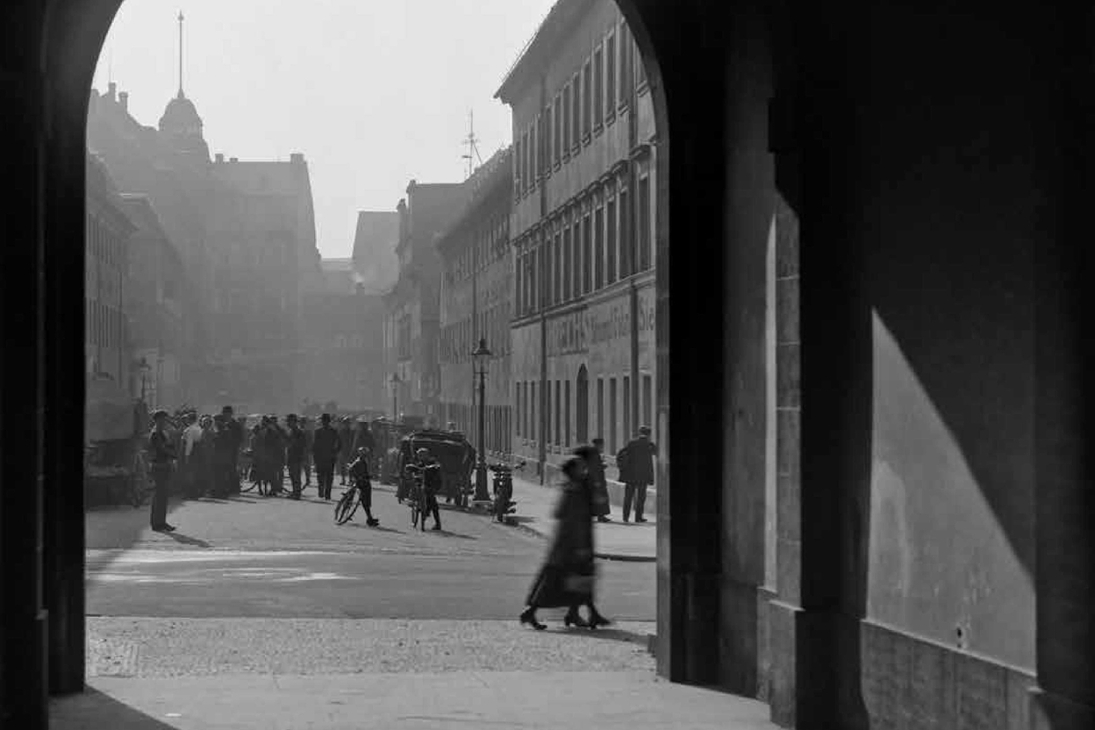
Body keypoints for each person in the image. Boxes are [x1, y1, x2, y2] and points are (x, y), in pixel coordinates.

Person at [519, 447, 611, 630]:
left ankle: (582, 614)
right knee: (556, 582)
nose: (584, 469)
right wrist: (580, 546)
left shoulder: (578, 486)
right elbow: (572, 518)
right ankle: (530, 613)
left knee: (578, 580)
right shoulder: (574, 489)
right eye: (580, 467)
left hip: (572, 542)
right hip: (571, 545)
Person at [616, 425, 657, 523]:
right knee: (641, 497)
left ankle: (625, 517)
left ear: (640, 433)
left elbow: (621, 453)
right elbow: (657, 452)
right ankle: (638, 517)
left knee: (628, 496)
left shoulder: (632, 443)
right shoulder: (649, 444)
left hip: (630, 475)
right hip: (643, 476)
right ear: (649, 434)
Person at [148, 409, 177, 532]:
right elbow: (162, 449)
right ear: (158, 420)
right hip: (159, 465)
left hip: (164, 464)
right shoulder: (155, 433)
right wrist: (174, 455)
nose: (166, 421)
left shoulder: (163, 432)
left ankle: (161, 522)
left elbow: (169, 446)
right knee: (159, 495)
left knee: (163, 495)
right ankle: (156, 523)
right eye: (164, 419)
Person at [408, 447, 443, 530]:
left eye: (422, 455)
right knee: (417, 487)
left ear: (427, 455)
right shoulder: (420, 464)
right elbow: (415, 471)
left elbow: (437, 466)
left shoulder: (432, 461)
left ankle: (437, 523)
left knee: (432, 501)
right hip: (422, 483)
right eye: (419, 455)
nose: (420, 457)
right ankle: (418, 505)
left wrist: (432, 467)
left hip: (432, 484)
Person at [345, 447, 379, 526]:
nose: (365, 455)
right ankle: (369, 518)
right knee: (366, 498)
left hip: (360, 481)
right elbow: (353, 471)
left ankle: (369, 517)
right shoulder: (359, 461)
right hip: (361, 482)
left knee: (365, 499)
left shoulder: (361, 461)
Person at [312, 413, 342, 500]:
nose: (324, 422)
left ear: (328, 421)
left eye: (326, 420)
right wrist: (315, 456)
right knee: (321, 476)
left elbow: (340, 444)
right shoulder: (318, 432)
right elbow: (315, 445)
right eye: (323, 420)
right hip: (321, 457)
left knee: (329, 477)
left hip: (329, 457)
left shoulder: (333, 431)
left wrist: (335, 452)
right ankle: (321, 491)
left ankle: (327, 494)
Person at [221, 406, 244, 495]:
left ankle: (235, 488)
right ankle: (227, 487)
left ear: (230, 414)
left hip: (232, 450)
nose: (225, 415)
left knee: (232, 469)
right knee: (225, 469)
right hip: (223, 451)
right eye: (224, 413)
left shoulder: (236, 425)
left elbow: (240, 438)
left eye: (227, 413)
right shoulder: (222, 423)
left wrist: (234, 445)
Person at [284, 414, 307, 500]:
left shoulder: (298, 432)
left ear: (293, 422)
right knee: (293, 476)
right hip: (291, 456)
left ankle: (297, 493)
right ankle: (295, 492)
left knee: (296, 476)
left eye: (289, 421)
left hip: (296, 457)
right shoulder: (291, 431)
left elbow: (300, 445)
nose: (287, 423)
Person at [589, 437, 611, 523]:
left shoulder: (594, 453)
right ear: (598, 445)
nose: (602, 447)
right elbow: (595, 468)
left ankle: (600, 515)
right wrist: (603, 466)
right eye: (601, 445)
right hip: (597, 479)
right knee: (601, 498)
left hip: (596, 479)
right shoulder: (594, 453)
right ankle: (601, 516)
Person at [336, 417, 353, 485]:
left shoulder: (352, 432)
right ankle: (343, 480)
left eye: (347, 423)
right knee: (342, 467)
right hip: (342, 451)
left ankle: (350, 480)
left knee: (350, 467)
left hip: (350, 451)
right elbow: (338, 441)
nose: (346, 425)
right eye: (345, 423)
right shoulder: (341, 432)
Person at [301, 416, 315, 488]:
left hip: (306, 451)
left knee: (307, 467)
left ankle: (307, 479)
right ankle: (307, 479)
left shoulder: (308, 431)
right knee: (304, 467)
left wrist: (309, 450)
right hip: (301, 451)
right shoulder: (305, 431)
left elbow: (311, 442)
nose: (302, 423)